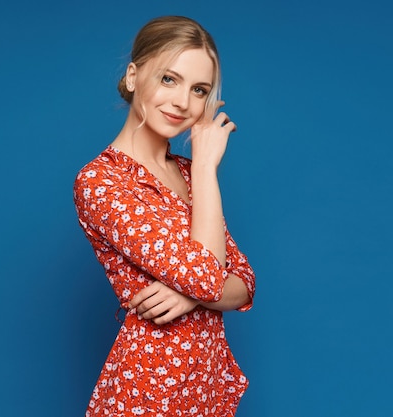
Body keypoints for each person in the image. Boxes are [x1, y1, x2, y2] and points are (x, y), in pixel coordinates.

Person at [73, 15, 256, 416]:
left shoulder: (190, 175)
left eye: (199, 90)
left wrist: (186, 292)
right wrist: (208, 166)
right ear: (134, 76)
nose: (183, 102)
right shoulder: (102, 182)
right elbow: (212, 278)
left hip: (203, 385)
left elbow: (243, 284)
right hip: (149, 389)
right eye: (169, 79)